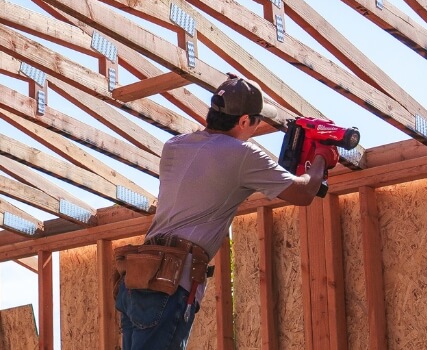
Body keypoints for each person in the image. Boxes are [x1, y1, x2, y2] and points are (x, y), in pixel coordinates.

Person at [115, 74, 328, 349]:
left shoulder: (175, 146)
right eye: (257, 121)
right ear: (243, 121)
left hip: (138, 277)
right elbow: (303, 192)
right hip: (171, 280)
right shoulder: (242, 154)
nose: (256, 128)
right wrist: (321, 156)